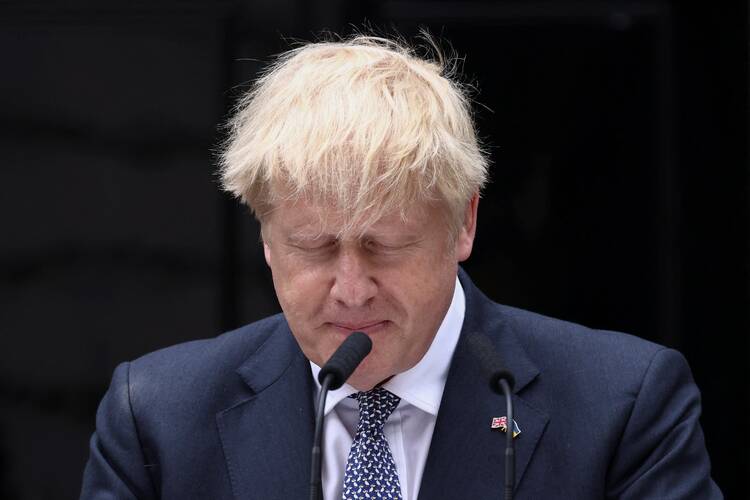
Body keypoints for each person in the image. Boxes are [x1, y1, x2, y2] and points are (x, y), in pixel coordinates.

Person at [80, 34, 722, 499]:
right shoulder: (157, 417)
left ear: (464, 223)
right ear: (266, 237)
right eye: (314, 246)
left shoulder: (623, 405)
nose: (352, 290)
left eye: (386, 245)